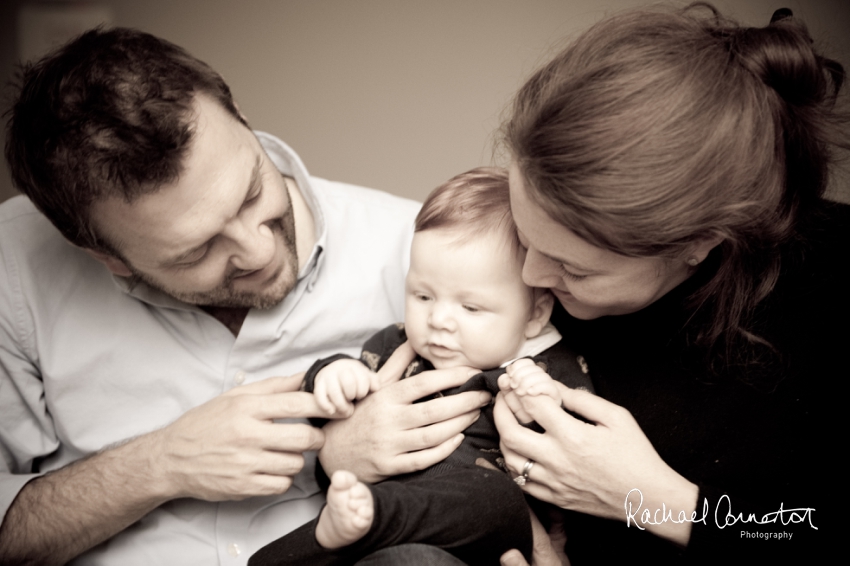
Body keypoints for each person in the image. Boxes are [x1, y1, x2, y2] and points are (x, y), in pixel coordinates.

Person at [0, 28, 491, 566]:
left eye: (253, 190)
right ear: (104, 254)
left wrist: (334, 456)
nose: (257, 251)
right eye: (198, 250)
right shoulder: (16, 264)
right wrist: (159, 463)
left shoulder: (421, 253)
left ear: (239, 115)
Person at [493, 4, 843, 565]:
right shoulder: (533, 274)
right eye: (524, 236)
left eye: (574, 269)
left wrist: (649, 500)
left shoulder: (830, 295)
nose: (529, 276)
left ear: (699, 243)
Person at [249, 167, 593, 566]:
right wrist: (333, 374)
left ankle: (337, 537)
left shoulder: (547, 364)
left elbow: (579, 447)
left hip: (490, 531)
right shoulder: (397, 348)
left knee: (495, 497)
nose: (439, 320)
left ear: (535, 313)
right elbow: (342, 398)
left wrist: (541, 401)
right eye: (424, 296)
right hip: (394, 538)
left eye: (470, 307)